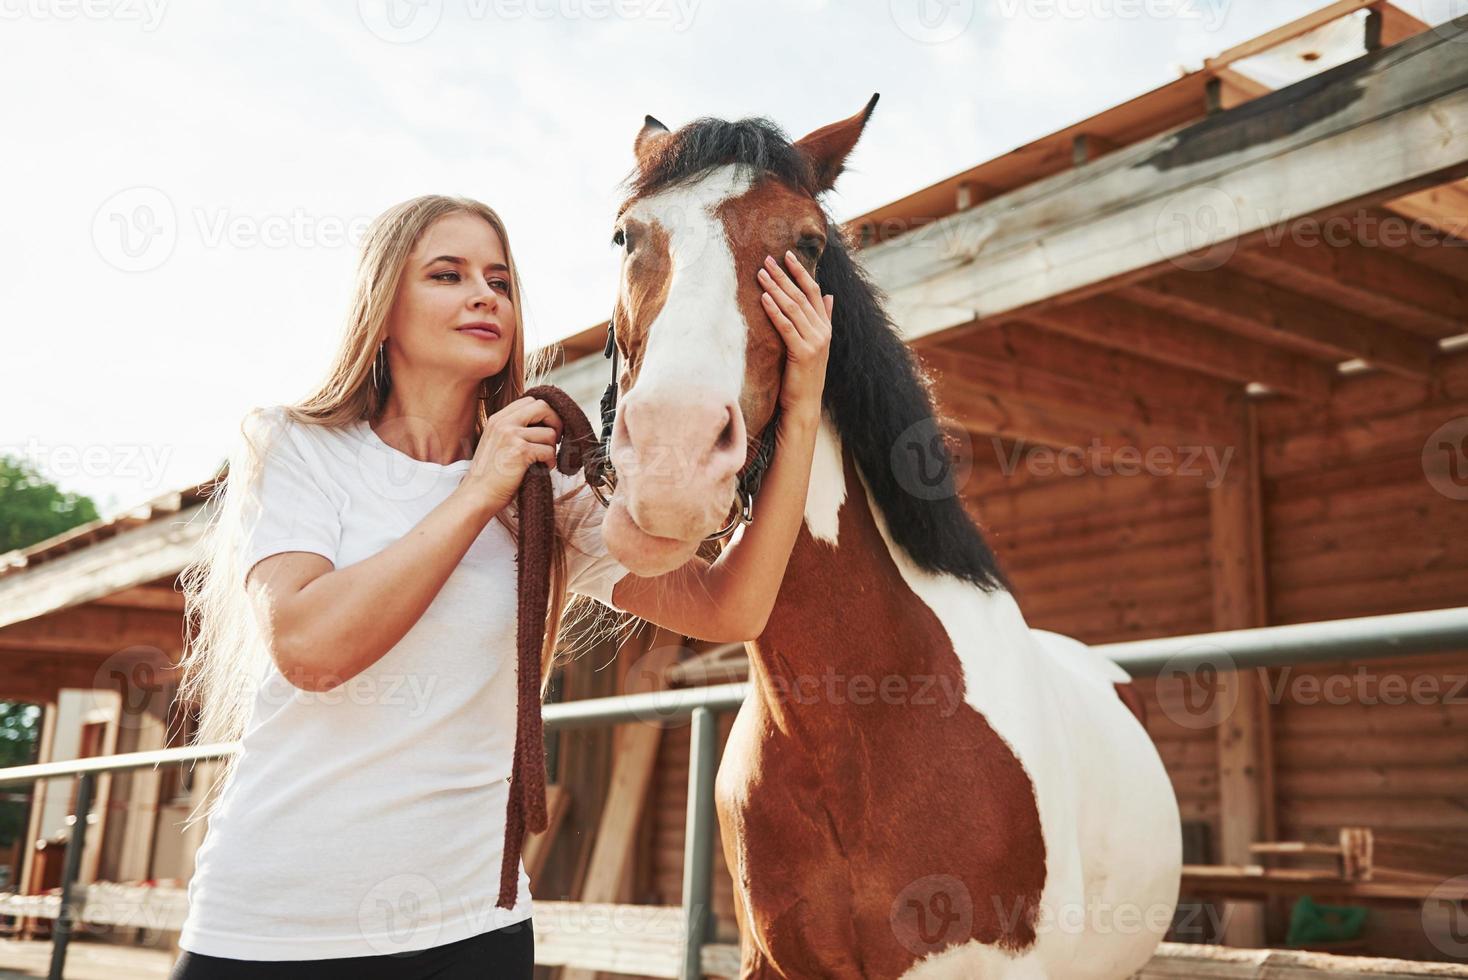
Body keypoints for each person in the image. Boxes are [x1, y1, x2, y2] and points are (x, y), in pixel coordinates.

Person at [168, 193, 833, 978]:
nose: (485, 295)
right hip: (277, 927)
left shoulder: (543, 489)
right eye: (447, 275)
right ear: (382, 306)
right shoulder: (299, 446)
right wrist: (477, 490)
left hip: (475, 928)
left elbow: (734, 607)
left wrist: (800, 405)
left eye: (501, 282)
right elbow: (311, 648)